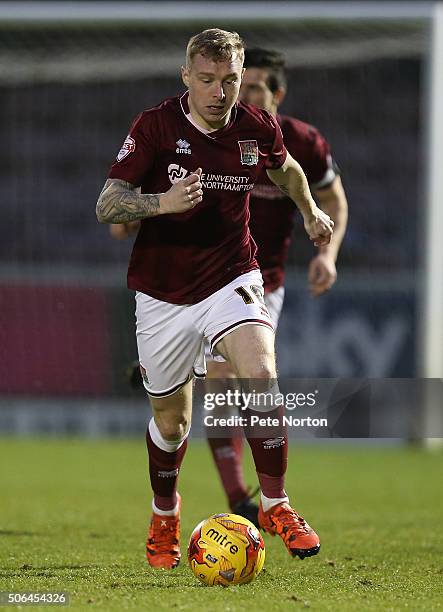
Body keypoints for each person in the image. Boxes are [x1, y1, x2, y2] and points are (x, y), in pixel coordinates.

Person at [96, 29, 333, 570]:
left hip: (232, 275)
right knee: (172, 421)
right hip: (163, 291)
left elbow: (287, 168)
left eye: (229, 81)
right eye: (206, 80)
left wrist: (310, 211)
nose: (219, 93)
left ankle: (275, 504)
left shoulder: (255, 127)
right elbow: (107, 204)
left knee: (261, 375)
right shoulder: (155, 125)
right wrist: (161, 201)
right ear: (187, 77)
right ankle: (165, 515)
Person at [204, 47, 349, 526]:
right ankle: (244, 499)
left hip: (263, 283)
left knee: (248, 385)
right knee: (224, 384)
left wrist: (326, 255)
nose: (241, 94)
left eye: (254, 87)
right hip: (205, 277)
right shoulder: (211, 132)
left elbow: (333, 200)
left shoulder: (303, 144)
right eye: (238, 84)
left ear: (278, 94)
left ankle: (259, 498)